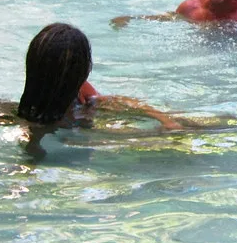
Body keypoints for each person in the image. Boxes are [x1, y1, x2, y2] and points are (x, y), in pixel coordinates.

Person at [16, 23, 183, 156]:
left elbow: (112, 101)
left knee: (185, 123)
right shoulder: (39, 127)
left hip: (76, 129)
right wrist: (150, 135)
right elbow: (100, 140)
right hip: (70, 147)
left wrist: (164, 119)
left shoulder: (79, 89)